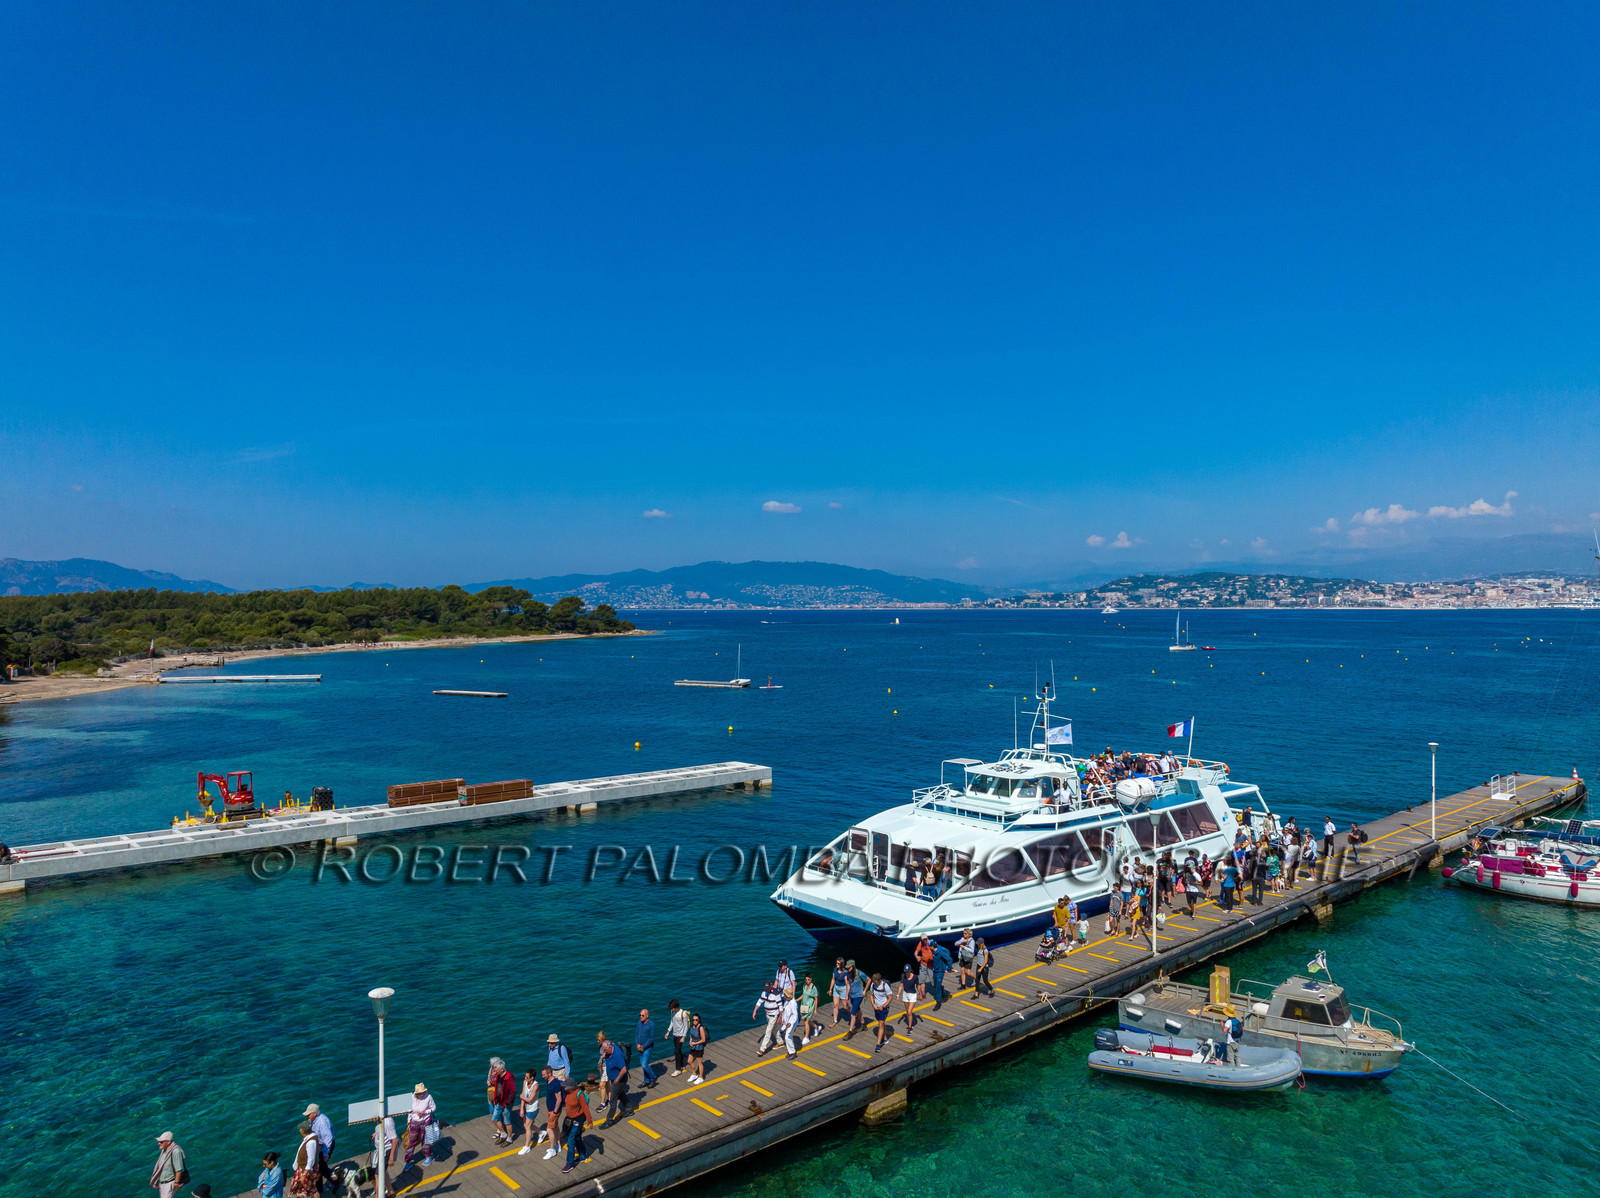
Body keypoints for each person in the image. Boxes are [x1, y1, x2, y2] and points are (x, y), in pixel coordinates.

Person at [560, 1078, 593, 1173]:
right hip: (570, 1119)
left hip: (578, 1120)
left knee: (570, 1141)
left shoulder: (579, 1094)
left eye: (565, 1086)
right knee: (577, 1138)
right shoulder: (567, 1093)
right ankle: (583, 1155)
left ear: (570, 1087)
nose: (564, 1087)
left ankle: (570, 1163)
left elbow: (585, 1108)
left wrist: (589, 1121)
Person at [405, 1083, 436, 1169]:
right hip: (414, 1122)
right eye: (419, 1093)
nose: (421, 1095)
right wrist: (408, 1120)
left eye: (423, 1093)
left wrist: (425, 1112)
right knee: (411, 1143)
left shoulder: (428, 1097)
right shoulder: (412, 1097)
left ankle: (428, 1156)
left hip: (426, 1121)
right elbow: (409, 1110)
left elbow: (433, 1108)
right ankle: (408, 1161)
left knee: (426, 1141)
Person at [304, 1103, 335, 1187]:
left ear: (315, 1113)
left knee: (320, 1168)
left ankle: (334, 1182)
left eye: (309, 1114)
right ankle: (322, 1186)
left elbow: (328, 1139)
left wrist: (326, 1154)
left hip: (325, 1146)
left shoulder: (322, 1122)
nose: (307, 1116)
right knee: (320, 1167)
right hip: (320, 1144)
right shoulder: (313, 1120)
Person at [487, 1057, 516, 1146]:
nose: (494, 1072)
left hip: (506, 1103)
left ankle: (509, 1138)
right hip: (499, 1102)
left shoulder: (508, 1078)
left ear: (501, 1069)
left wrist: (508, 1102)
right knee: (494, 1119)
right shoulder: (498, 1076)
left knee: (507, 1122)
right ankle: (503, 1134)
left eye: (496, 1070)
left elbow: (513, 1091)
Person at [601, 1036, 629, 1126]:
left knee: (613, 1100)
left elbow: (624, 1069)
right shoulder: (609, 1051)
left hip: (619, 1080)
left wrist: (617, 1079)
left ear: (610, 1047)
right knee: (620, 1094)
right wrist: (604, 1057)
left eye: (605, 1050)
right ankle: (629, 1108)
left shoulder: (617, 1055)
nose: (604, 1051)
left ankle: (609, 1121)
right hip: (613, 1078)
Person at [149, 1132, 187, 1198]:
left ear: (169, 1142)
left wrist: (176, 1183)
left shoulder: (175, 1152)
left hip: (169, 1184)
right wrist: (156, 1180)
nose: (159, 1143)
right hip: (163, 1183)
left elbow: (178, 1170)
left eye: (161, 1142)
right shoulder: (164, 1150)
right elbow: (161, 1167)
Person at [753, 981, 784, 1055]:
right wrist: (755, 1011)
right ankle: (780, 1042)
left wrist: (780, 1016)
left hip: (774, 1015)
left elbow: (780, 1005)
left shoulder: (776, 993)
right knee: (775, 1029)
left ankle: (762, 1049)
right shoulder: (764, 992)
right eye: (766, 988)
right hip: (768, 1014)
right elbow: (760, 1001)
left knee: (768, 1031)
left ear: (771, 986)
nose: (767, 990)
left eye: (768, 988)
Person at [371, 1109, 398, 1193]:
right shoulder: (380, 1120)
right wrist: (376, 1134)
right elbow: (383, 1130)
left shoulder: (387, 1122)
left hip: (386, 1151)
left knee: (377, 1175)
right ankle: (390, 1191)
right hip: (381, 1150)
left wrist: (391, 1158)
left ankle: (378, 1196)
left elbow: (395, 1139)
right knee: (384, 1171)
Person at [289, 1123, 319, 1197]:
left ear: (303, 1130)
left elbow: (311, 1159)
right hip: (303, 1168)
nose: (300, 1130)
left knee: (307, 1189)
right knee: (309, 1189)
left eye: (301, 1129)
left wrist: (304, 1175)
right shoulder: (307, 1137)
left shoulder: (311, 1142)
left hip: (306, 1170)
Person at [516, 1068, 541, 1155]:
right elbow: (523, 1094)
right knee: (526, 1125)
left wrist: (522, 1097)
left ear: (532, 1078)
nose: (525, 1078)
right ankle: (541, 1133)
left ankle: (527, 1147)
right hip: (527, 1107)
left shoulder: (535, 1086)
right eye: (525, 1076)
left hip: (533, 1108)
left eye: (527, 1077)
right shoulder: (525, 1082)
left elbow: (530, 1099)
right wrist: (522, 1108)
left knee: (527, 1127)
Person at [869, 972, 893, 1050]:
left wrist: (883, 1006)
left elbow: (890, 998)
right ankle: (885, 1038)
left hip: (884, 1008)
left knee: (881, 1024)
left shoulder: (885, 986)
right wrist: (873, 1005)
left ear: (879, 981)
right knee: (881, 1023)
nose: (874, 983)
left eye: (875, 982)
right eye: (873, 982)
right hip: (876, 1008)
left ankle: (878, 1044)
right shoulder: (873, 985)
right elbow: (871, 995)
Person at [666, 1000, 690, 1076]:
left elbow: (686, 1026)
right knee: (678, 1051)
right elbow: (672, 1022)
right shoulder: (673, 1013)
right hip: (674, 1034)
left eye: (672, 1008)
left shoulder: (683, 1014)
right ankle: (682, 1065)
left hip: (680, 1036)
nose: (671, 1010)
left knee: (676, 1052)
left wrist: (683, 1037)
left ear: (676, 1007)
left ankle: (678, 1069)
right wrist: (668, 1031)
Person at [635, 1008, 657, 1087]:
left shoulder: (651, 1025)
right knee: (643, 1065)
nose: (641, 1016)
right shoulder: (639, 1023)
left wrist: (643, 1046)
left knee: (644, 1065)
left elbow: (651, 1038)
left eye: (642, 1015)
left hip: (647, 1048)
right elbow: (636, 1034)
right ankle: (646, 1080)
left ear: (647, 1016)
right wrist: (637, 1044)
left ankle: (653, 1078)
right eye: (640, 1015)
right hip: (640, 1047)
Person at [779, 987, 802, 1058]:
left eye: (785, 994)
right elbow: (785, 1012)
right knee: (789, 1037)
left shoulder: (793, 1003)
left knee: (787, 1037)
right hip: (787, 1023)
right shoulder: (787, 1002)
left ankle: (793, 1052)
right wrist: (783, 1021)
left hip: (792, 1024)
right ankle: (790, 1051)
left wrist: (790, 1022)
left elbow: (795, 1015)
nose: (783, 995)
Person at [799, 974, 821, 1043]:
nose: (807, 981)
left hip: (810, 1006)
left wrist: (815, 1010)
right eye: (806, 979)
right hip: (804, 1005)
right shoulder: (804, 986)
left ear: (811, 979)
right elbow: (804, 994)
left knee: (806, 1021)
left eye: (808, 979)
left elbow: (816, 998)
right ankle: (816, 1027)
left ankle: (806, 1037)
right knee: (805, 1020)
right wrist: (797, 999)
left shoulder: (813, 988)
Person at [930, 940, 953, 1008]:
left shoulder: (940, 953)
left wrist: (947, 969)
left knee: (937, 987)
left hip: (940, 972)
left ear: (932, 946)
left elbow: (950, 960)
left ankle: (938, 1003)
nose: (929, 947)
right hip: (935, 971)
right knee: (935, 985)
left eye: (930, 946)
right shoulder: (933, 951)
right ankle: (944, 993)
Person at [687, 1013, 708, 1084]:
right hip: (693, 1047)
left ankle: (701, 1077)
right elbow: (691, 1035)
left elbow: (703, 1039)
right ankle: (694, 1074)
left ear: (699, 1020)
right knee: (689, 1061)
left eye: (696, 1020)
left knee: (699, 1063)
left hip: (699, 1048)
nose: (695, 1021)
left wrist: (695, 1043)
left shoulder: (700, 1028)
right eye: (693, 1020)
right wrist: (690, 1041)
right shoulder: (692, 1026)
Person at [897, 963, 919, 1029]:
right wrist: (898, 994)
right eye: (905, 971)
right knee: (907, 1010)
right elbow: (901, 985)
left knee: (909, 1012)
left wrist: (921, 993)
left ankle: (910, 1027)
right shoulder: (903, 975)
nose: (906, 973)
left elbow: (918, 986)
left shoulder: (915, 977)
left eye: (908, 971)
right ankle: (910, 1020)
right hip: (905, 994)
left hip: (912, 994)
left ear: (910, 970)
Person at [847, 961, 865, 1035]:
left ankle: (850, 1031)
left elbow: (869, 980)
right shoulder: (848, 974)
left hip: (859, 996)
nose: (848, 969)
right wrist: (847, 996)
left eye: (849, 967)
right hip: (852, 996)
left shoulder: (859, 973)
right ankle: (863, 1023)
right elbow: (848, 985)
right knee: (857, 1009)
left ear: (853, 967)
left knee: (853, 1013)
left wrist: (864, 991)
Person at [830, 957, 849, 1024]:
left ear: (841, 964)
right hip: (836, 988)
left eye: (838, 963)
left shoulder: (845, 972)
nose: (836, 964)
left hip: (843, 989)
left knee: (845, 1006)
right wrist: (830, 989)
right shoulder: (835, 970)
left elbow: (847, 983)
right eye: (836, 963)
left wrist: (847, 994)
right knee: (835, 1005)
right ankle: (835, 1020)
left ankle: (853, 1012)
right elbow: (833, 979)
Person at [914, 936, 934, 1000]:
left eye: (925, 939)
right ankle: (923, 994)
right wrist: (917, 956)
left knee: (933, 980)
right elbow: (916, 952)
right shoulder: (921, 943)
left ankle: (940, 991)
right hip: (923, 964)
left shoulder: (931, 943)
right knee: (922, 980)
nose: (924, 941)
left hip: (931, 965)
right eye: (923, 940)